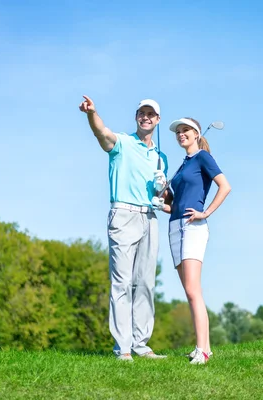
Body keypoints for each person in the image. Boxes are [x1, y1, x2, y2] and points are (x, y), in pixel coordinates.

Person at [79, 95, 168, 361]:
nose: (145, 117)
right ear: (136, 117)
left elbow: (164, 201)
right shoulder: (123, 143)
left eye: (150, 114)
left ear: (157, 120)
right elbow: (101, 133)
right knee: (122, 283)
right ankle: (124, 348)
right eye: (141, 113)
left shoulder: (160, 157)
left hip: (150, 218)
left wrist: (162, 189)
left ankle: (141, 344)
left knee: (145, 283)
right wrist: (91, 114)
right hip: (123, 215)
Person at [152, 117, 231, 364]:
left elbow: (225, 186)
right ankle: (203, 346)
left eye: (185, 130)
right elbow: (174, 204)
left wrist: (205, 212)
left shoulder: (202, 158)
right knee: (189, 292)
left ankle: (203, 351)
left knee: (193, 290)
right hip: (174, 227)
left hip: (192, 227)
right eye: (178, 131)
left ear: (196, 133)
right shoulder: (183, 164)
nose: (180, 134)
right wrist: (162, 196)